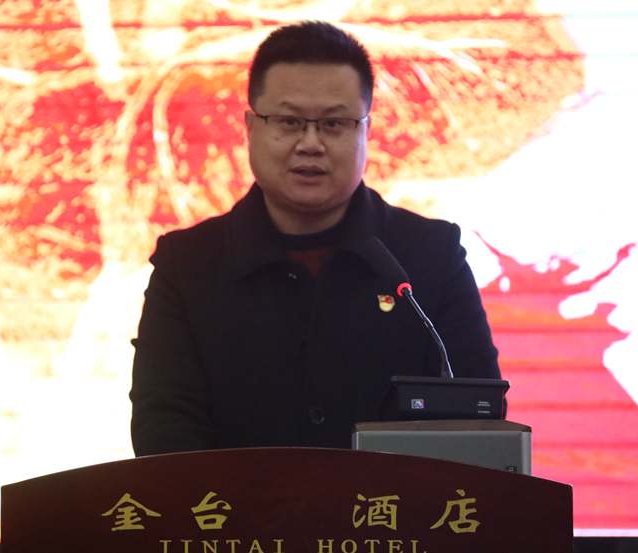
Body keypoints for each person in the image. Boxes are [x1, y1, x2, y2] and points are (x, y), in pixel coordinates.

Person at [130, 21, 500, 456]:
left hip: (392, 502)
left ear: (366, 130)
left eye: (334, 123)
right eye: (288, 122)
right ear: (250, 128)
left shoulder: (430, 257)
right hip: (235, 503)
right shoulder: (187, 266)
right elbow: (164, 430)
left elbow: (480, 418)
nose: (310, 144)